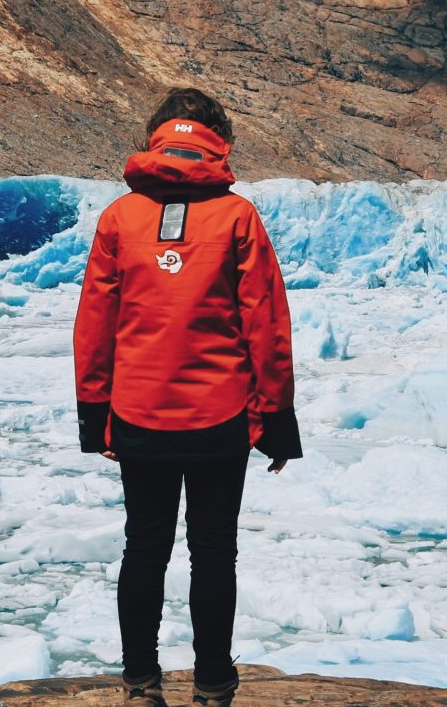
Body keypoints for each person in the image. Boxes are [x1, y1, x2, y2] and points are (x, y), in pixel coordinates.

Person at [73, 88, 301, 707]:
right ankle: (213, 685)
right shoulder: (237, 217)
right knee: (213, 553)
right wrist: (276, 419)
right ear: (217, 139)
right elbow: (266, 324)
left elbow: (96, 320)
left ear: (157, 139)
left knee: (144, 543)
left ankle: (141, 684)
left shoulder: (120, 218)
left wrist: (96, 415)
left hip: (138, 413)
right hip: (219, 419)